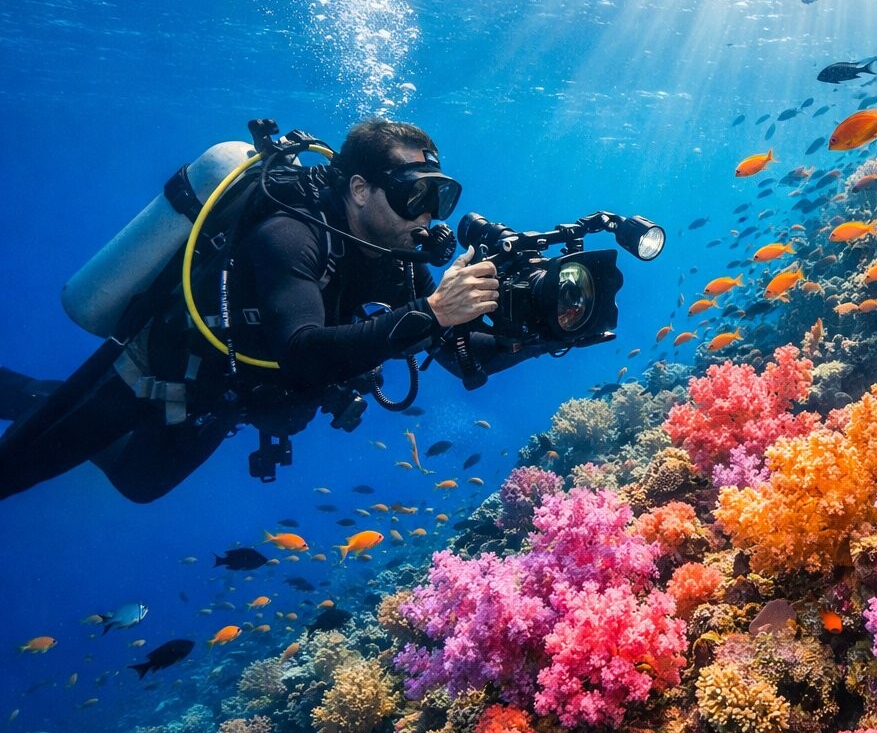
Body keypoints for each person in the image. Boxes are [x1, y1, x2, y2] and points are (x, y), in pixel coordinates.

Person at [0, 119, 526, 503]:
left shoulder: (397, 258)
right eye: (413, 197)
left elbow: (455, 354)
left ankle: (40, 399)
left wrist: (538, 334)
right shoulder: (290, 234)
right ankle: (31, 395)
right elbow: (300, 351)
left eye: (439, 197)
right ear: (361, 190)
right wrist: (434, 311)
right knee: (18, 469)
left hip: (228, 393)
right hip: (158, 368)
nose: (429, 216)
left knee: (142, 483)